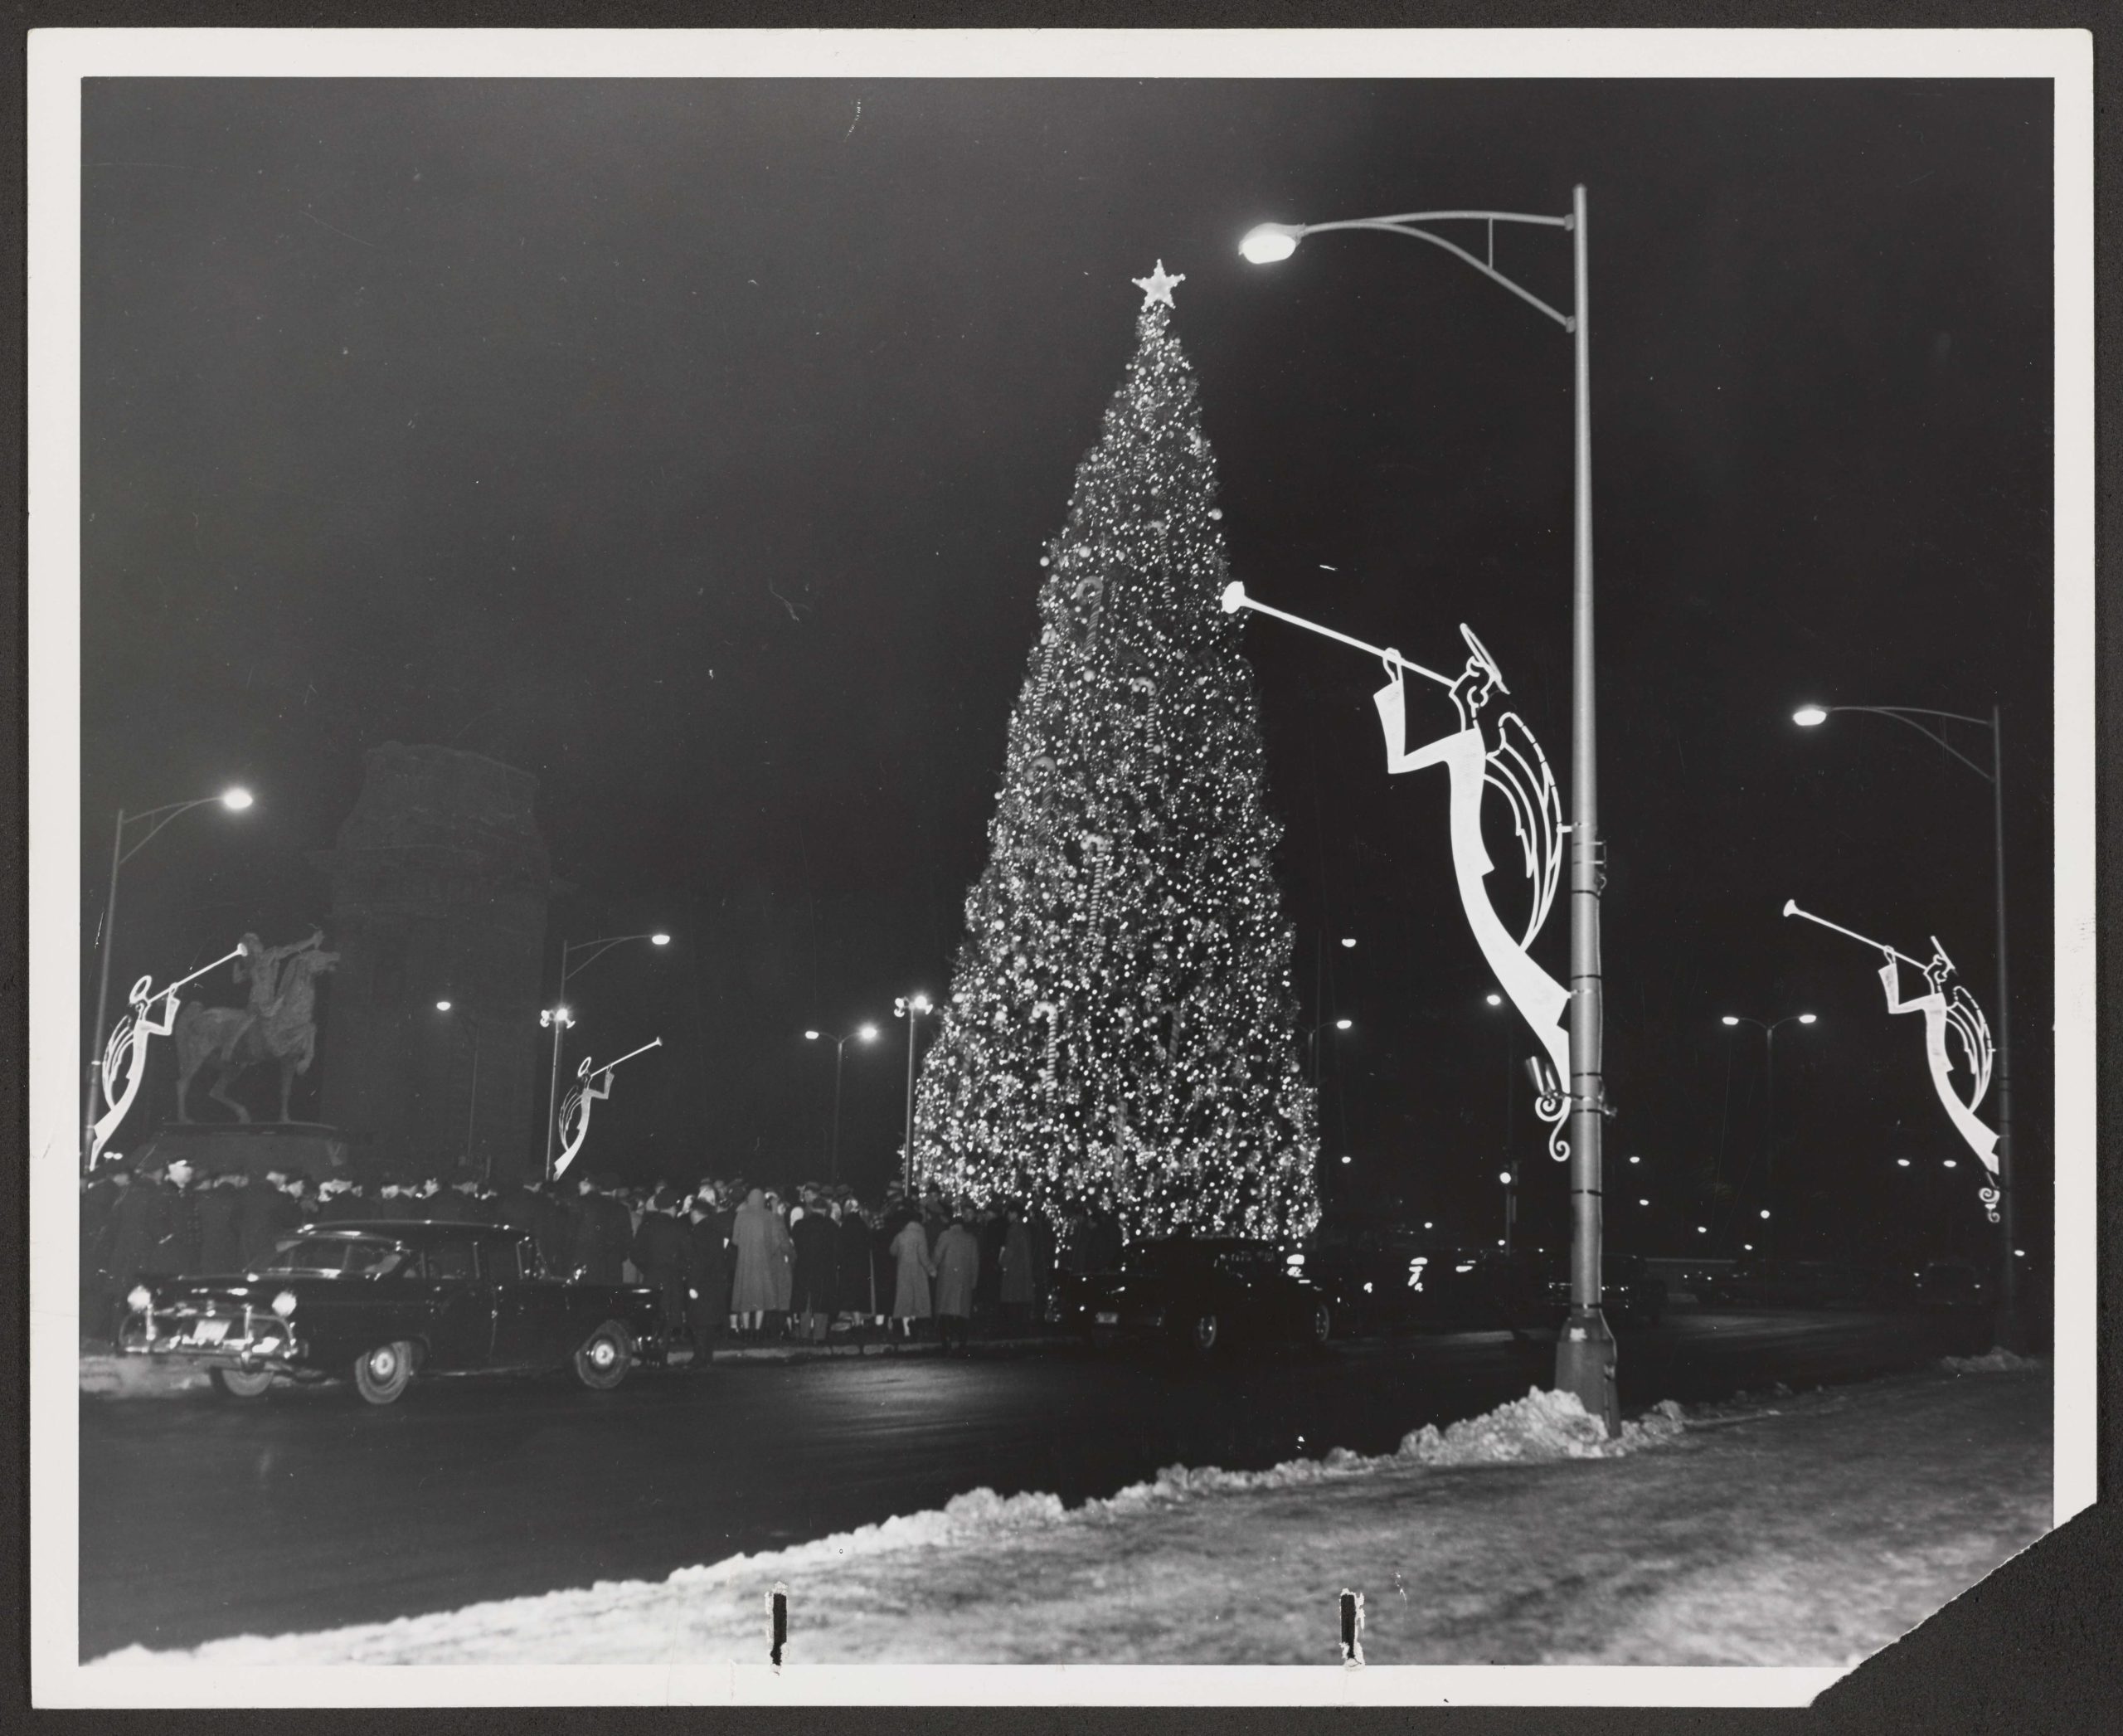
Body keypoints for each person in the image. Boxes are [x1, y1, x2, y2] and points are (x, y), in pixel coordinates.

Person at [631, 1187, 690, 1344]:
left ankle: (650, 1347)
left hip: (651, 1275)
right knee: (670, 1317)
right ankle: (664, 1350)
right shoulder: (679, 1227)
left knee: (652, 1315)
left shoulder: (647, 1225)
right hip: (672, 1277)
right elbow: (688, 1254)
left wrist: (647, 1268)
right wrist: (681, 1270)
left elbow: (636, 1252)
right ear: (673, 1207)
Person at [683, 1190, 730, 1360]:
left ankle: (699, 1357)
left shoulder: (699, 1232)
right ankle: (706, 1356)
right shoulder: (715, 1229)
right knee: (708, 1323)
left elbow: (699, 1261)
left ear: (695, 1214)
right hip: (715, 1281)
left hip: (702, 1283)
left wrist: (693, 1285)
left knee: (698, 1322)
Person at [790, 1193, 840, 1345]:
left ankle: (804, 1335)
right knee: (821, 1305)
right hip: (824, 1270)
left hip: (804, 1268)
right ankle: (819, 1336)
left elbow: (795, 1247)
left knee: (805, 1303)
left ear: (812, 1209)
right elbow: (837, 1250)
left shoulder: (799, 1225)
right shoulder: (832, 1226)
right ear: (825, 1210)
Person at [729, 1187, 778, 1335]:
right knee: (760, 1296)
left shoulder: (741, 1215)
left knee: (744, 1295)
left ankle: (745, 1330)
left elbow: (735, 1240)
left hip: (744, 1262)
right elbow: (775, 1242)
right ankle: (757, 1330)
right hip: (762, 1262)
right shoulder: (769, 1216)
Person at [933, 1208, 981, 1353]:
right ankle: (962, 1343)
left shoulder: (945, 1236)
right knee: (962, 1312)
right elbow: (975, 1263)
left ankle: (946, 1342)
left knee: (945, 1310)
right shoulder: (971, 1239)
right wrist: (974, 1282)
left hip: (946, 1281)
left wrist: (932, 1268)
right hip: (964, 1282)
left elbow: (937, 1256)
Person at [571, 1175, 634, 1282]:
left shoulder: (587, 1205)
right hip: (613, 1263)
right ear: (615, 1190)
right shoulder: (621, 1209)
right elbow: (627, 1238)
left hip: (589, 1262)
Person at [888, 1211, 935, 1342]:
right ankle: (914, 1329)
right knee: (916, 1301)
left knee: (905, 1301)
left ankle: (907, 1331)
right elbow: (923, 1256)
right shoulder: (921, 1235)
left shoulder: (900, 1235)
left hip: (903, 1272)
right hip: (918, 1273)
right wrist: (931, 1269)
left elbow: (892, 1251)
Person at [836, 1195, 876, 1332]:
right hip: (862, 1266)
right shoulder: (863, 1225)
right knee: (859, 1295)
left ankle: (857, 1324)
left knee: (851, 1296)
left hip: (849, 1267)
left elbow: (841, 1246)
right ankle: (859, 1323)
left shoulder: (846, 1225)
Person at [196, 1170, 247, 1272]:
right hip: (232, 1258)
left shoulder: (203, 1197)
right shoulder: (242, 1198)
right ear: (237, 1178)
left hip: (205, 1257)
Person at [998, 1202, 1036, 1330]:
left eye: (1009, 1213)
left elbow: (1010, 1250)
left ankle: (1013, 1328)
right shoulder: (1025, 1228)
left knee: (1012, 1299)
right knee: (1021, 1300)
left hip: (1014, 1269)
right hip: (1024, 1269)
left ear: (1014, 1213)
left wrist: (1003, 1262)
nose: (1008, 1216)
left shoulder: (1014, 1229)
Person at [765, 1191, 794, 1334]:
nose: (785, 1211)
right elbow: (784, 1245)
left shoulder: (768, 1220)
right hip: (780, 1264)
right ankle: (783, 1329)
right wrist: (792, 1251)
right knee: (783, 1297)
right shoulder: (777, 1221)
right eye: (783, 1207)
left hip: (771, 1264)